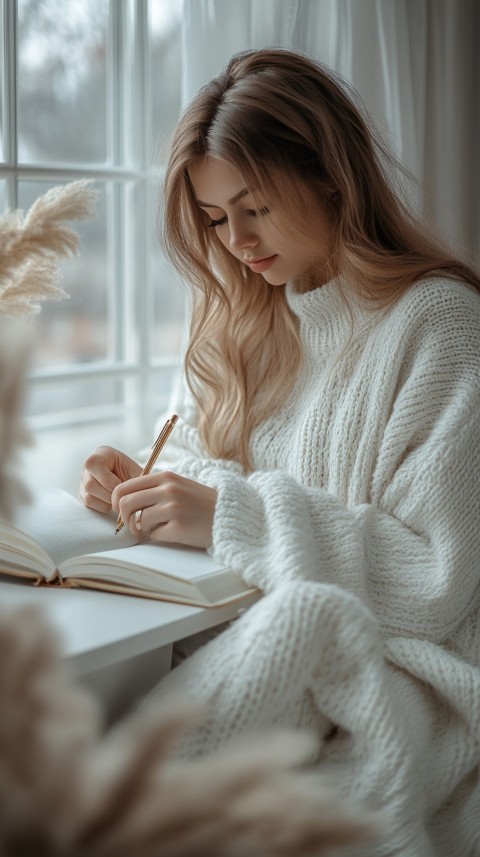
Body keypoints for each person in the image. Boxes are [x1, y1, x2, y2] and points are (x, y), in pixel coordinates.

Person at [80, 49, 480, 856]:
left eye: (253, 207)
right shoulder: (238, 321)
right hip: (235, 647)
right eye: (216, 218)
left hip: (390, 665)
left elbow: (434, 579)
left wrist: (226, 512)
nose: (236, 243)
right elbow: (193, 463)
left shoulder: (442, 326)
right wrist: (145, 483)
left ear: (331, 176)